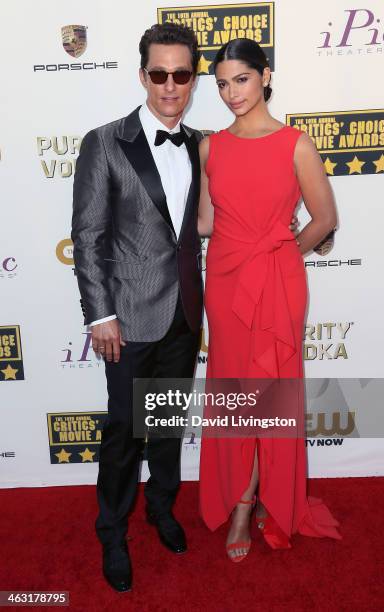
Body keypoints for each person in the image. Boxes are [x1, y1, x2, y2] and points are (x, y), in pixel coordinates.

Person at [197, 38, 341, 562]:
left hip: (276, 283)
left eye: (241, 79)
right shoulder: (211, 146)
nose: (231, 93)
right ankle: (243, 497)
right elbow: (208, 223)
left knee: (271, 394)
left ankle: (255, 499)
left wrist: (280, 255)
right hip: (227, 281)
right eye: (221, 84)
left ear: (266, 77)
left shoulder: (296, 144)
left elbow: (324, 219)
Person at [71, 23, 204, 592]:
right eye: (159, 73)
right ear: (142, 73)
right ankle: (113, 532)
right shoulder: (105, 141)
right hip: (126, 319)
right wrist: (100, 315)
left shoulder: (202, 143)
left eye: (181, 74)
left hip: (183, 316)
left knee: (168, 426)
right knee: (124, 433)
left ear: (193, 78)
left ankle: (162, 508)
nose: (169, 86)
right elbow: (88, 234)